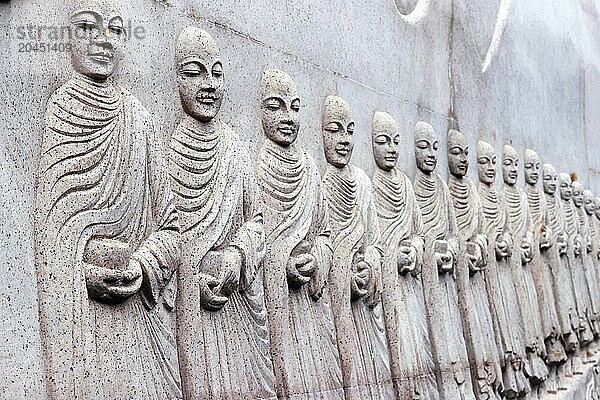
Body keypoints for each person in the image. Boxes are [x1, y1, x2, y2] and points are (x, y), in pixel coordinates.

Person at [35, 0, 182, 398]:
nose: (103, 40)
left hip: (141, 325)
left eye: (115, 30)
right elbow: (47, 235)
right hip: (82, 329)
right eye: (88, 27)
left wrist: (142, 266)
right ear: (67, 36)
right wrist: (79, 273)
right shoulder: (58, 115)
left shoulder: (141, 121)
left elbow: (171, 227)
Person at [169, 26, 276, 400]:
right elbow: (165, 233)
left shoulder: (236, 149)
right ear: (176, 79)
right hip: (196, 305)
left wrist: (237, 253)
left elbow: (257, 223)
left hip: (241, 302)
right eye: (195, 72)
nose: (209, 84)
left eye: (216, 73)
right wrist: (191, 278)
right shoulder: (167, 154)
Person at [256, 69, 343, 399]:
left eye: (294, 107)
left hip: (311, 301)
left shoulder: (309, 165)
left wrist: (317, 258)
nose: (288, 117)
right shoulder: (257, 164)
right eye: (276, 107)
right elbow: (254, 236)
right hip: (280, 305)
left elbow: (324, 233)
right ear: (262, 112)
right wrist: (282, 263)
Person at [321, 95, 393, 400]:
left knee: (373, 377)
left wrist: (369, 266)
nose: (344, 140)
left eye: (350, 131)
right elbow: (318, 240)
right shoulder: (319, 181)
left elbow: (375, 242)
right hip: (338, 303)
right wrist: (339, 274)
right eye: (335, 130)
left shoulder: (363, 182)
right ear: (321, 134)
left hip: (364, 301)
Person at [371, 111, 439, 400]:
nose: (391, 149)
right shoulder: (371, 186)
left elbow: (419, 233)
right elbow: (370, 241)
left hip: (409, 288)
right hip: (388, 289)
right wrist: (391, 257)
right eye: (383, 142)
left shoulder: (407, 186)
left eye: (396, 142)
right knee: (396, 345)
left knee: (417, 346)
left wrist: (415, 250)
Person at [412, 122, 475, 400]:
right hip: (428, 283)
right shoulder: (411, 186)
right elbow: (412, 234)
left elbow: (453, 232)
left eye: (435, 148)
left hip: (448, 280)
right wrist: (425, 253)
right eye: (423, 146)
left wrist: (452, 247)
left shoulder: (442, 188)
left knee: (455, 340)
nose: (431, 153)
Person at [447, 130, 502, 399]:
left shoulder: (472, 191)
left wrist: (481, 245)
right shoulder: (444, 189)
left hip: (478, 276)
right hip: (449, 282)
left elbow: (482, 230)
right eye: (456, 152)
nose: (463, 159)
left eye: (466, 153)